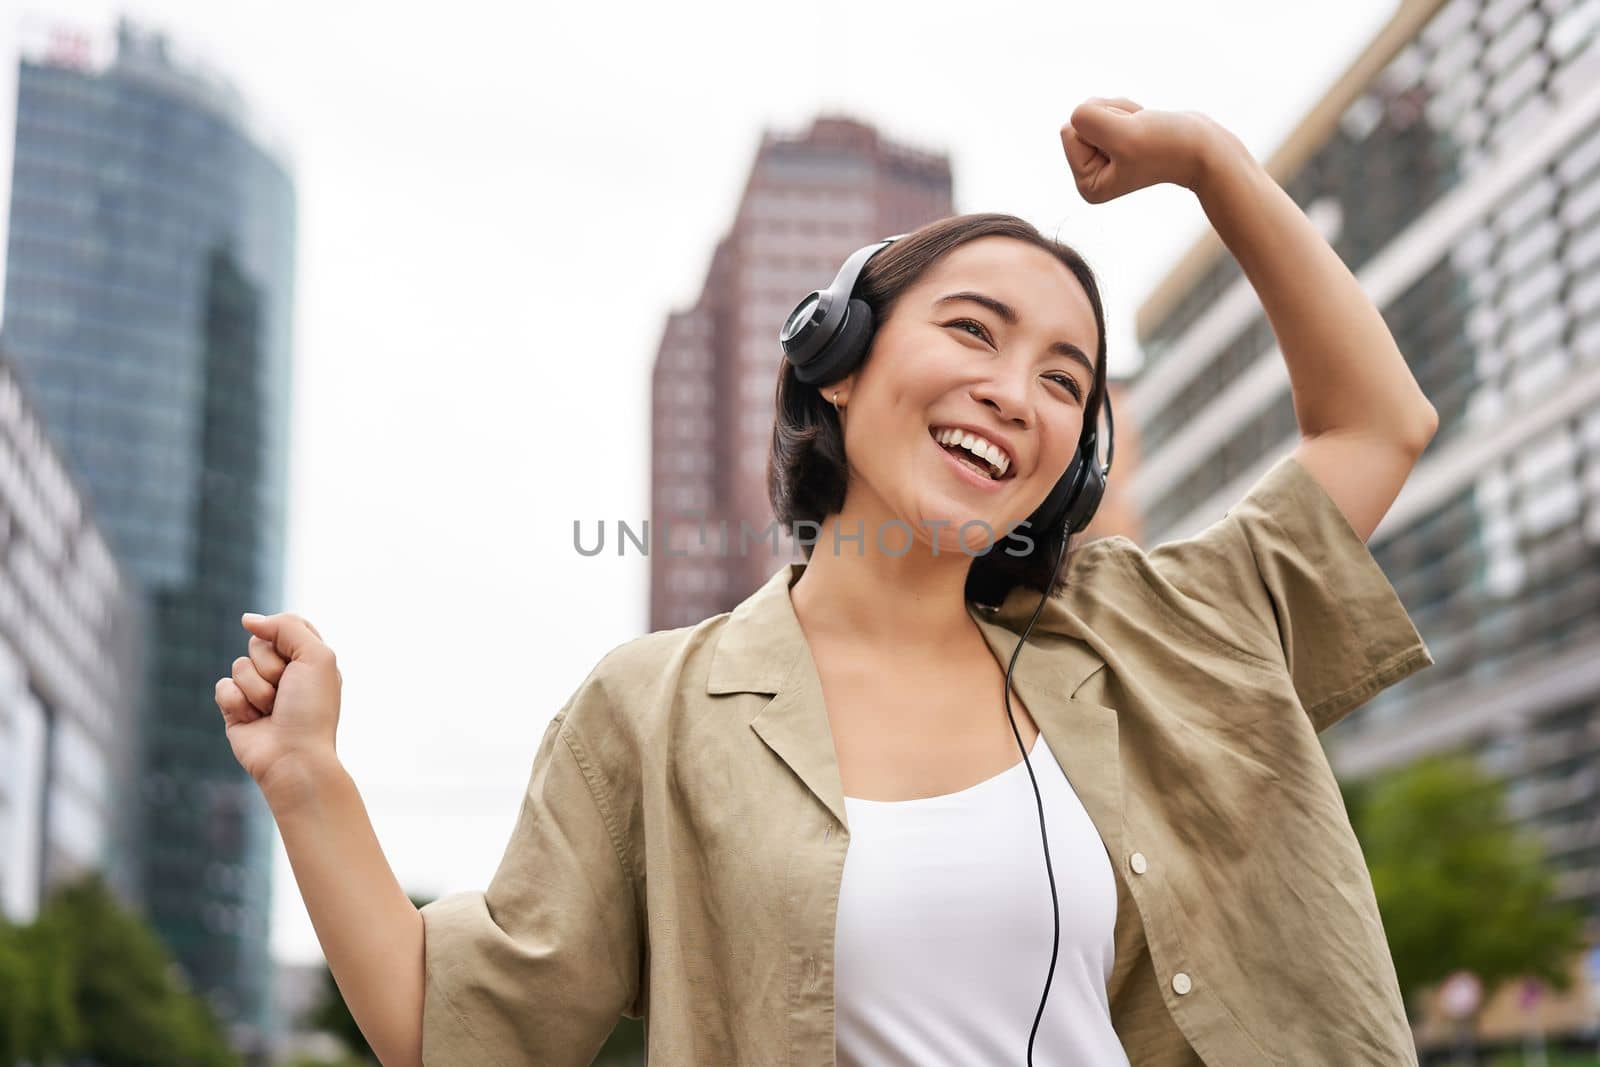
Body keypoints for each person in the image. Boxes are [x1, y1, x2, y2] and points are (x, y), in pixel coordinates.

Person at [215, 97, 1441, 1067]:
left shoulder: (1148, 628)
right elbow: (453, 1026)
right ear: (841, 364)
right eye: (972, 331)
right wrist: (308, 776)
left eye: (1063, 380)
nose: (1015, 392)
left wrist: (1212, 162)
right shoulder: (655, 709)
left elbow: (1376, 425)